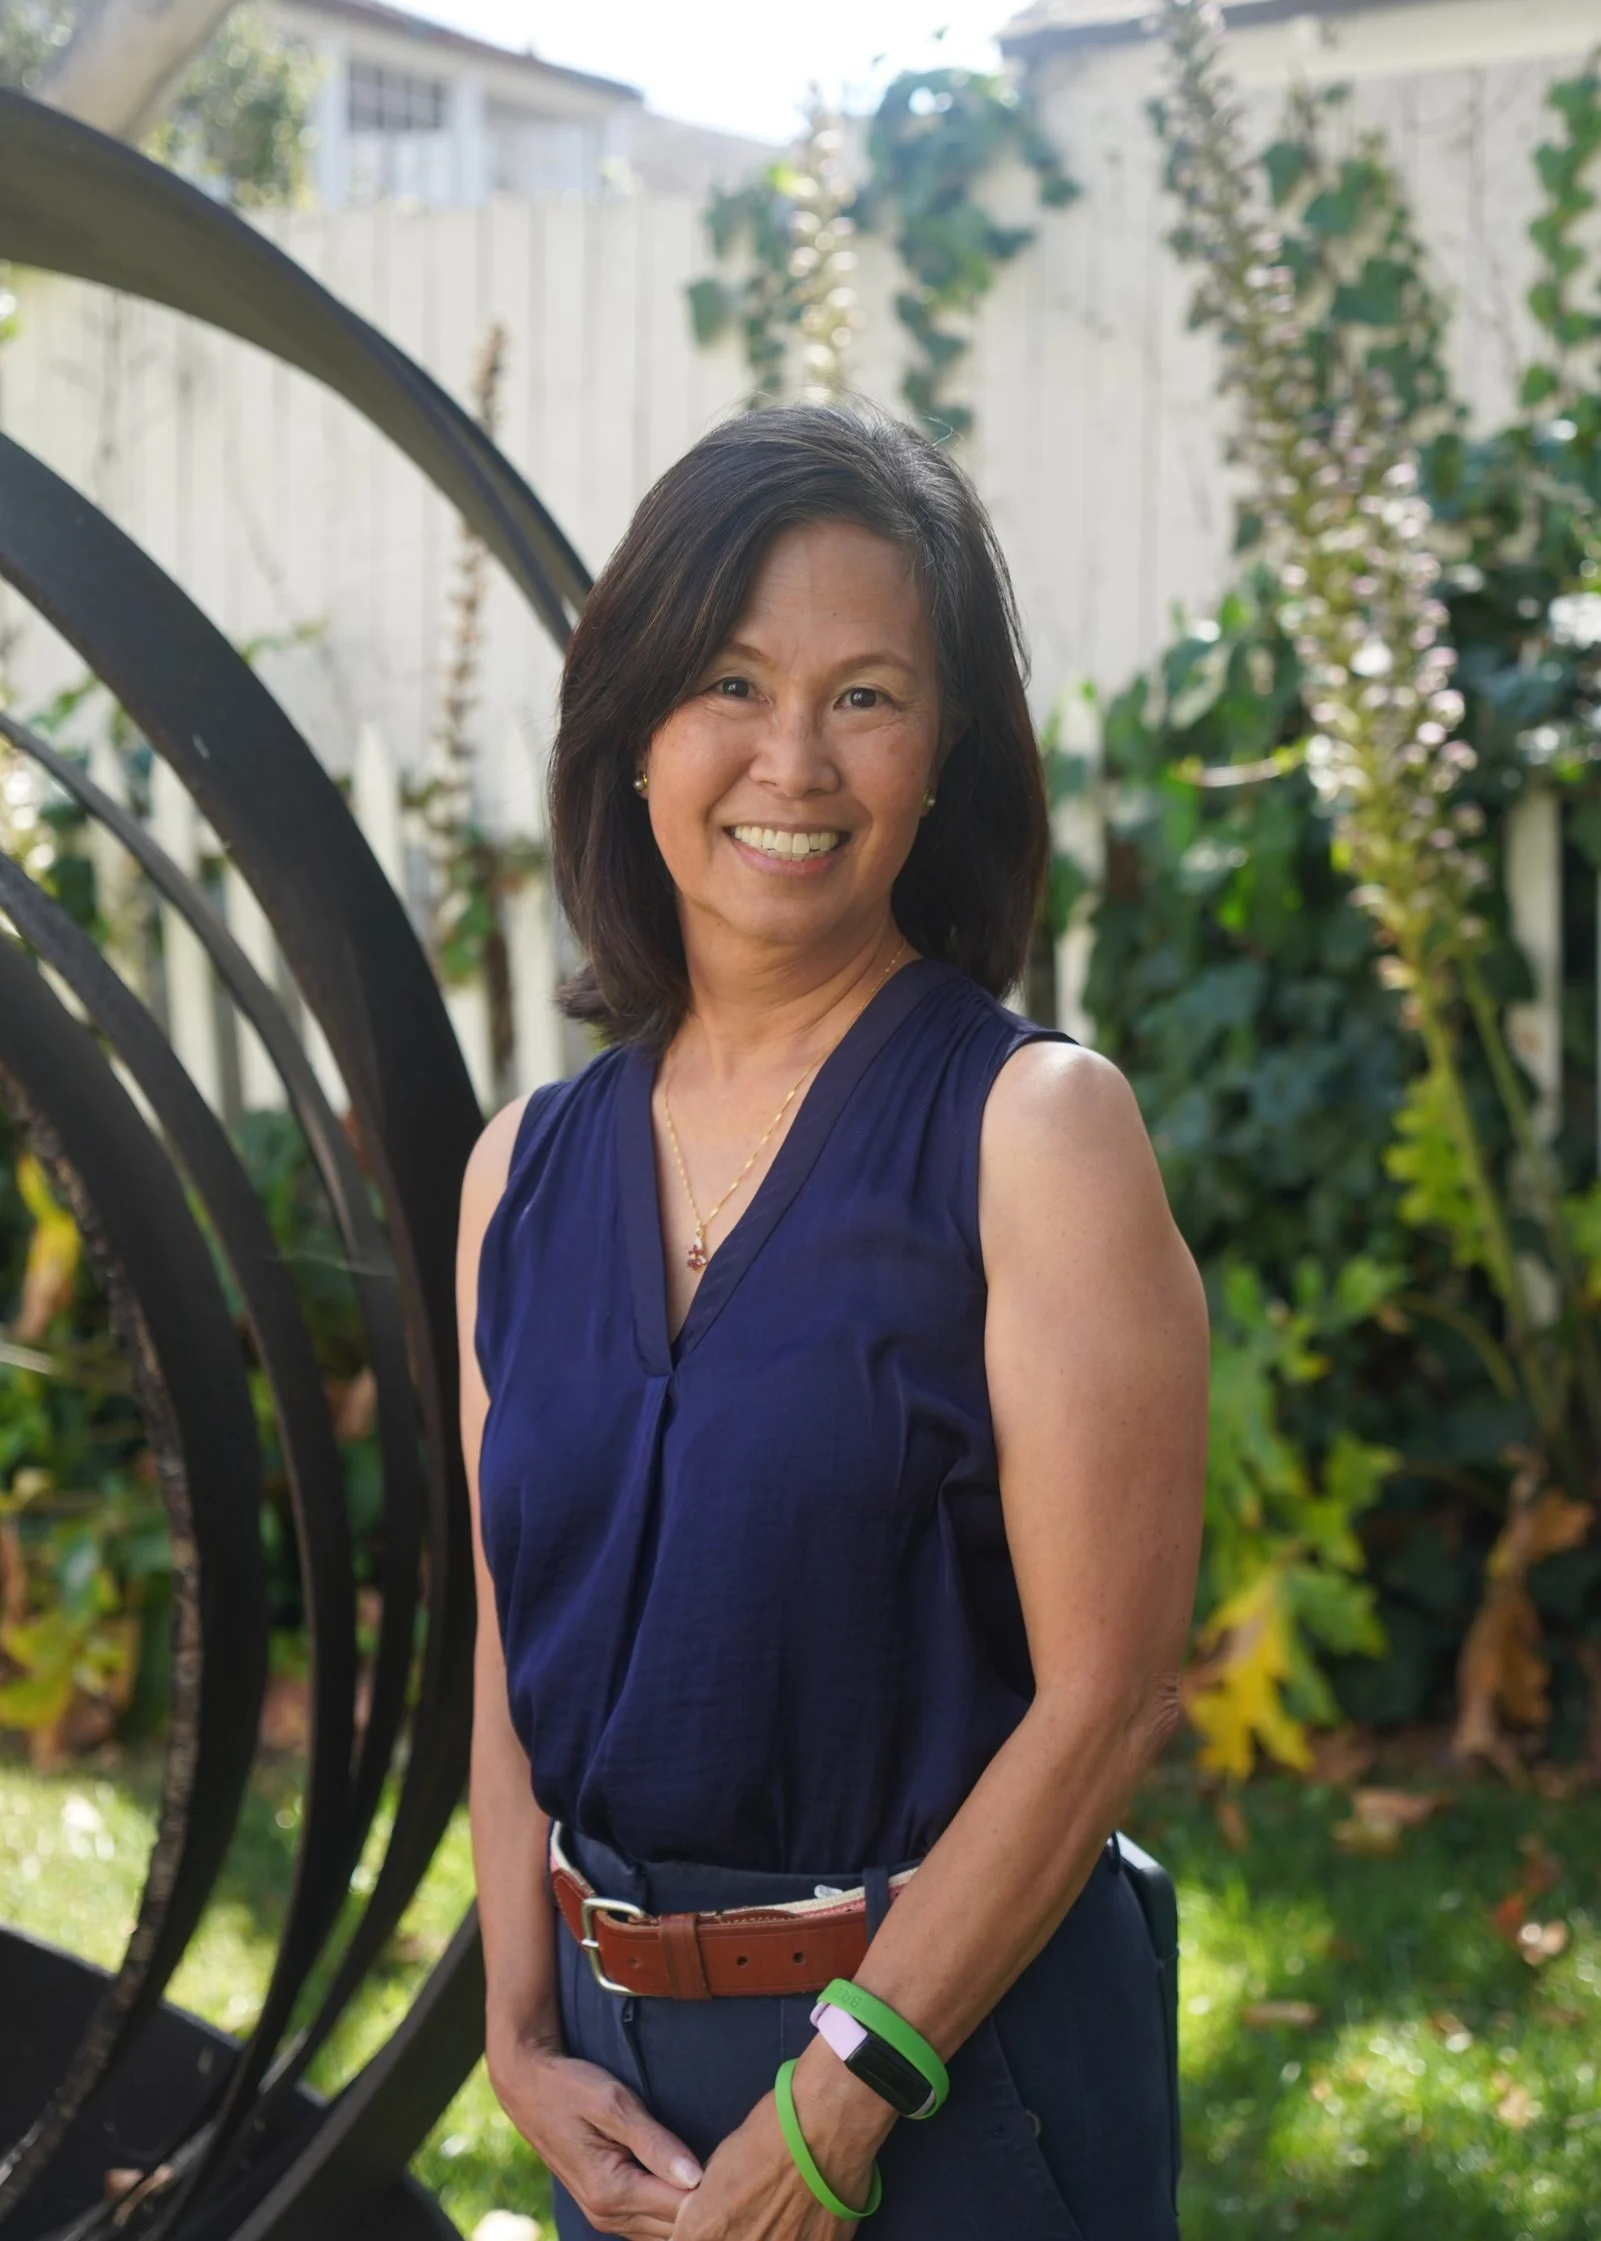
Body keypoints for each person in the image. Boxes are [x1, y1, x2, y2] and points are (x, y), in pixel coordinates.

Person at [456, 402, 1208, 2240]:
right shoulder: (518, 1170)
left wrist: (842, 2100)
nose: (791, 759)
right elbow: (510, 1630)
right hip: (617, 2092)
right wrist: (518, 2030)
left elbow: (1108, 1699)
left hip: (955, 2067)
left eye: (866, 696)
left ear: (944, 758)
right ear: (636, 724)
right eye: (730, 680)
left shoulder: (1035, 1132)